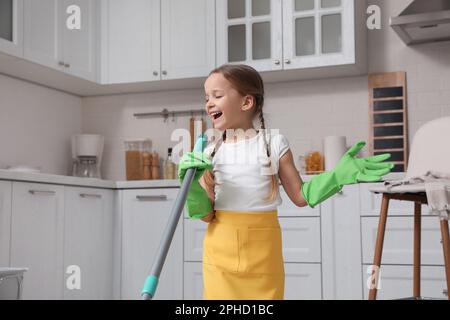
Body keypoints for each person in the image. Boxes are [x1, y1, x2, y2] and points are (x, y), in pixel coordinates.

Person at [178, 64, 394, 300]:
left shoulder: (273, 143)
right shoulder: (209, 153)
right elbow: (206, 214)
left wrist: (337, 175)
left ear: (246, 102)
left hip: (262, 256)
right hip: (219, 254)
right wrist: (191, 188)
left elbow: (301, 196)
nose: (208, 103)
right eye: (207, 97)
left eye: (217, 96)